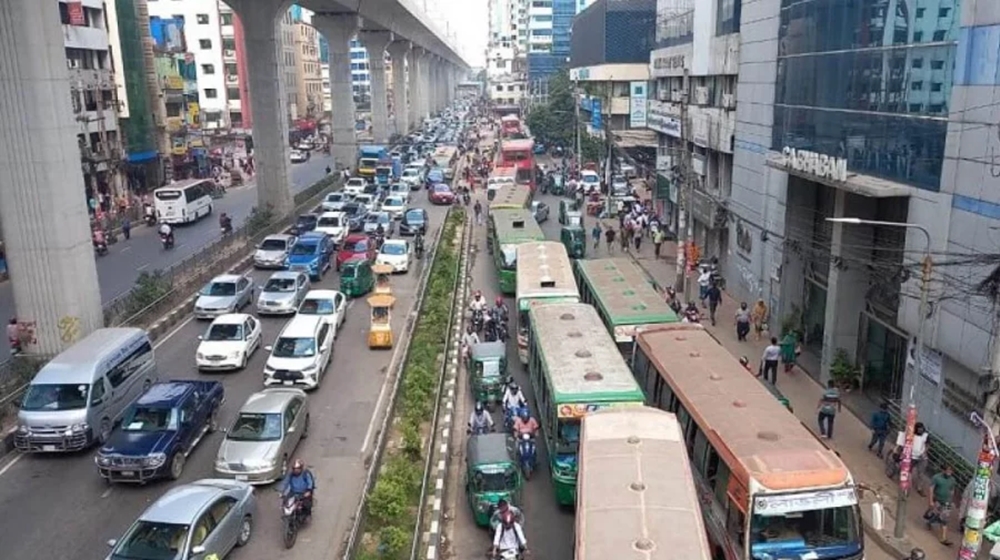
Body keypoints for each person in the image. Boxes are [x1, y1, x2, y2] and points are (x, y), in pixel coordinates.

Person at [891, 422, 930, 494]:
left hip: (921, 457)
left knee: (921, 473)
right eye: (919, 429)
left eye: (921, 429)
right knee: (908, 471)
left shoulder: (925, 435)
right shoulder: (911, 434)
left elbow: (927, 445)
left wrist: (924, 452)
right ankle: (906, 485)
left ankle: (919, 488)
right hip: (912, 456)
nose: (920, 431)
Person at [926, 464, 957, 545]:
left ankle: (943, 538)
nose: (949, 472)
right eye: (947, 470)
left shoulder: (952, 480)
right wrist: (930, 501)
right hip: (937, 500)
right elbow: (931, 489)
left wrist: (951, 500)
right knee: (935, 515)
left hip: (947, 502)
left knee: (944, 520)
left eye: (951, 470)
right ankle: (929, 521)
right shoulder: (936, 478)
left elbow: (952, 490)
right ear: (943, 470)